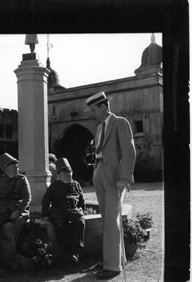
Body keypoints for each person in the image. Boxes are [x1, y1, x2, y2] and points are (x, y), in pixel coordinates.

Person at [84, 91, 136, 280]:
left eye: (94, 109)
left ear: (104, 107)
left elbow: (129, 152)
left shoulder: (120, 122)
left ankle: (112, 267)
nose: (92, 113)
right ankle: (116, 259)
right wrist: (96, 172)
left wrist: (124, 178)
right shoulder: (99, 128)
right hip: (99, 173)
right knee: (108, 219)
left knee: (112, 220)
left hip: (114, 177)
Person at [0, 153, 31, 273]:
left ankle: (18, 259)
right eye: (14, 165)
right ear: (6, 168)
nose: (17, 167)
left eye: (16, 164)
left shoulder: (22, 179)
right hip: (2, 209)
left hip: (18, 208)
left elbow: (27, 197)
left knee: (20, 226)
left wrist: (18, 210)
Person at [41, 158, 85, 263]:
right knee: (61, 226)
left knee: (80, 222)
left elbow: (82, 201)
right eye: (65, 173)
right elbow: (45, 202)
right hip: (58, 212)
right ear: (59, 175)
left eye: (69, 172)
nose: (68, 175)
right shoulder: (54, 186)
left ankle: (75, 252)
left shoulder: (76, 184)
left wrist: (82, 211)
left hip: (74, 212)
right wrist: (45, 215)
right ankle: (65, 253)